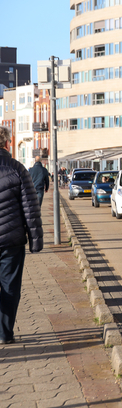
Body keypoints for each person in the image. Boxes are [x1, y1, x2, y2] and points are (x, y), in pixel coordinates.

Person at [0, 126, 43, 345]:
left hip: (11, 241)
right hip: (11, 241)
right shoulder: (17, 169)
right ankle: (5, 333)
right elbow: (31, 208)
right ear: (7, 144)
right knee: (10, 286)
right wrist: (36, 240)